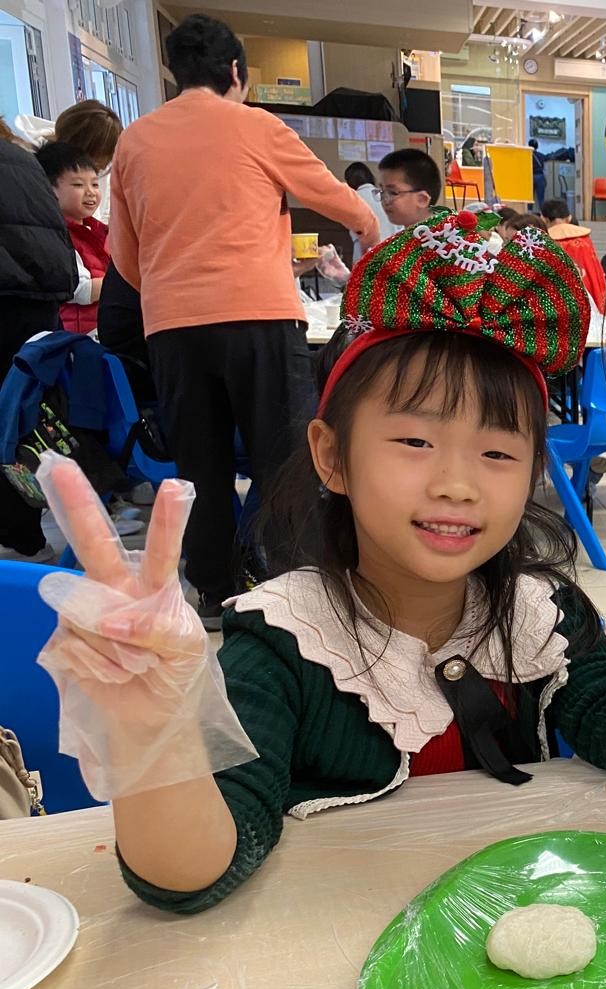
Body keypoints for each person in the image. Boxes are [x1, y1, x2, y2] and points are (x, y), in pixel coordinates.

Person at [32, 210, 606, 915]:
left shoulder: (543, 615)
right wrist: (153, 732)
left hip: (508, 933)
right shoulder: (284, 644)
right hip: (336, 941)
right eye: (414, 442)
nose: (457, 484)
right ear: (331, 456)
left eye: (498, 452)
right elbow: (195, 875)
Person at [110, 14, 380, 626]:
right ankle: (292, 591)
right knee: (283, 457)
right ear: (236, 71)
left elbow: (126, 257)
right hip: (258, 315)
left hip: (173, 326)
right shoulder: (257, 125)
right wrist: (368, 230)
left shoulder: (135, 141)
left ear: (176, 70)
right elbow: (336, 198)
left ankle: (212, 592)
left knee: (198, 467)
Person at [0, 124, 77, 558]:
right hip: (37, 315)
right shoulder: (25, 162)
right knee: (20, 421)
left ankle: (17, 539)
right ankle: (28, 538)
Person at [37, 142, 107, 335]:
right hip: (79, 336)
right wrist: (124, 283)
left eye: (95, 184)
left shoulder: (99, 231)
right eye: (78, 184)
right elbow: (80, 290)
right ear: (49, 189)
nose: (90, 191)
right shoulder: (58, 236)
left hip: (102, 326)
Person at [541, 199, 606, 312]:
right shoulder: (584, 240)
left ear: (545, 219)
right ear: (569, 218)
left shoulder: (545, 241)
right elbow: (594, 274)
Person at [377, 148, 442, 230]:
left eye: (393, 192)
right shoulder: (404, 234)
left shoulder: (441, 236)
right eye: (382, 191)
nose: (384, 200)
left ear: (422, 199)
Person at [345, 161, 400, 256]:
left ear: (349, 183)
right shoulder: (385, 196)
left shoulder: (353, 199)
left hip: (367, 254)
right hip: (393, 253)